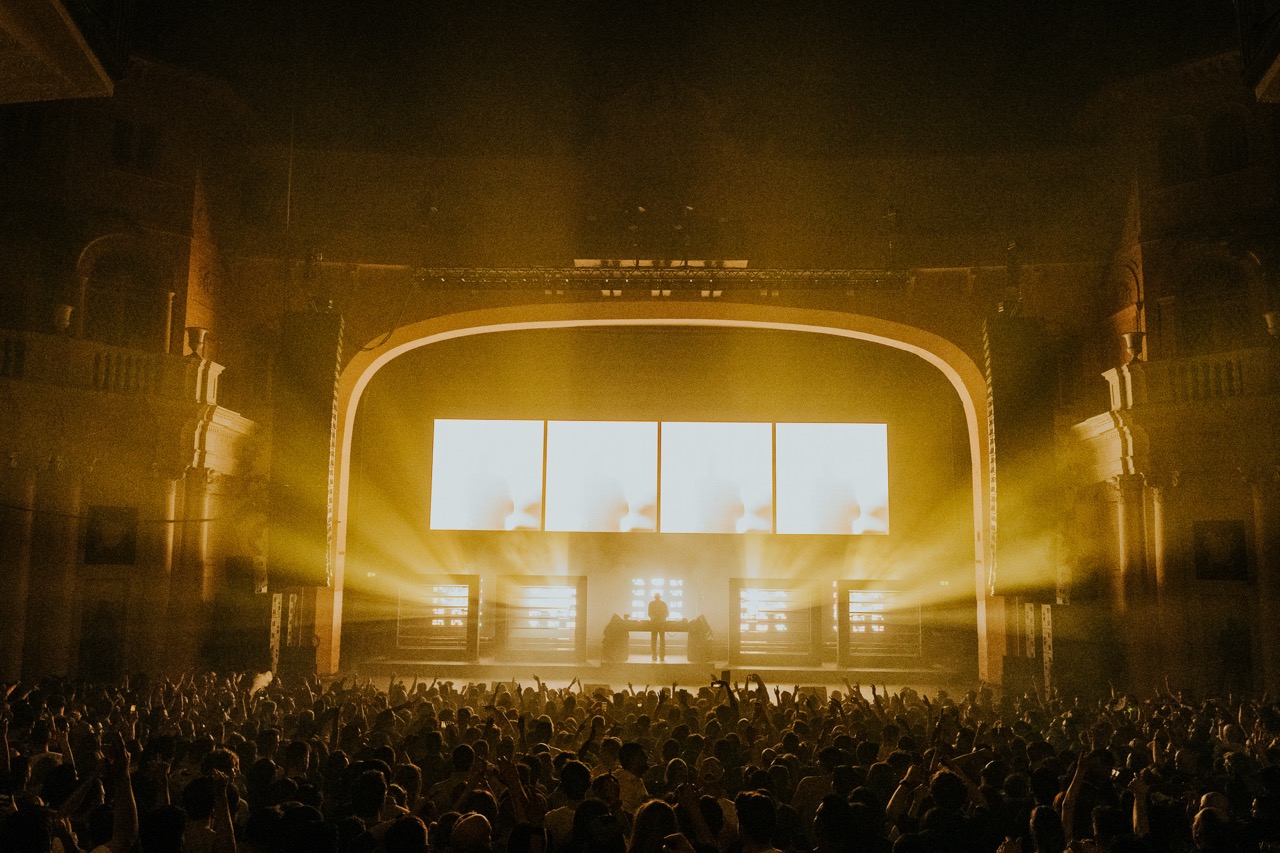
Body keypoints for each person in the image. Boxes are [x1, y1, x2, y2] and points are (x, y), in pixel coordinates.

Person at [647, 593, 669, 662]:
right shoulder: (663, 604)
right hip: (658, 624)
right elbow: (649, 613)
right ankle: (659, 656)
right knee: (660, 640)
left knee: (656, 640)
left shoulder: (652, 604)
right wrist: (659, 617)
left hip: (658, 623)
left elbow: (667, 614)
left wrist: (655, 617)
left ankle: (657, 656)